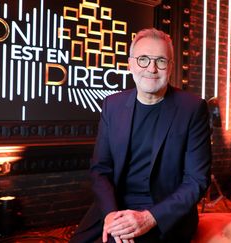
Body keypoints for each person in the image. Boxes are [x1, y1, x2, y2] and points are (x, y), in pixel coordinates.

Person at [70, 28, 211, 243]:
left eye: (161, 61)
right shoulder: (112, 105)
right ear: (131, 64)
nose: (152, 68)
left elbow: (196, 181)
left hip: (164, 214)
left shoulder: (192, 108)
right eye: (143, 59)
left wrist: (149, 218)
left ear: (170, 67)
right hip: (115, 208)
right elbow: (100, 170)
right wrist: (110, 214)